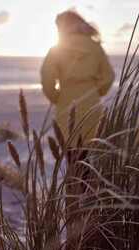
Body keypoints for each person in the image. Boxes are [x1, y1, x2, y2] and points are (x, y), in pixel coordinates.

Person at [41, 10, 115, 148]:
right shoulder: (95, 46)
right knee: (89, 153)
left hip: (66, 103)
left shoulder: (57, 48)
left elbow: (47, 78)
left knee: (71, 153)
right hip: (91, 102)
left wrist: (55, 97)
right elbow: (109, 76)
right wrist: (96, 91)